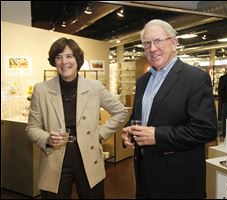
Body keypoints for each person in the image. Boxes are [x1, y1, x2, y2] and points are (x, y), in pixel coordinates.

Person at [122, 19, 217, 199]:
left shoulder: (196, 79)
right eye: (147, 43)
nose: (152, 48)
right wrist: (130, 131)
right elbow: (141, 117)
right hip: (144, 176)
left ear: (174, 43)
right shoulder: (143, 81)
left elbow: (206, 130)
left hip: (178, 182)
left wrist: (157, 135)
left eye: (158, 41)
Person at [26, 37, 128, 199]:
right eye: (58, 57)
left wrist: (100, 134)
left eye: (69, 56)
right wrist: (47, 138)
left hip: (89, 156)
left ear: (77, 59)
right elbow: (32, 128)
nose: (64, 61)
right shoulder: (41, 90)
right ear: (54, 61)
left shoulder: (94, 87)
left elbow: (120, 111)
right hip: (55, 157)